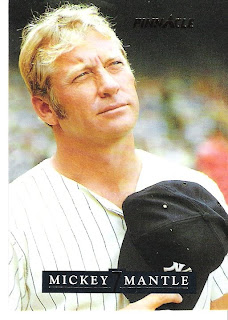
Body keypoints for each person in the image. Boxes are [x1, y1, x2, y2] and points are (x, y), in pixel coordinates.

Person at [9, 3, 228, 311]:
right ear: (46, 108)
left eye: (115, 65)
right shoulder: (12, 215)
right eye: (82, 75)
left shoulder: (198, 190)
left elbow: (221, 307)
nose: (109, 85)